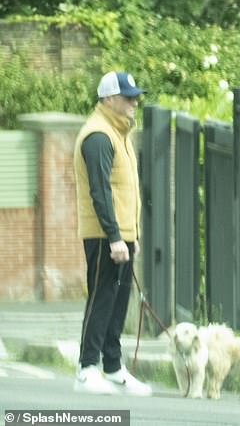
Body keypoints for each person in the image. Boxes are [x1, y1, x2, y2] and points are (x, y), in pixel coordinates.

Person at [72, 71, 152, 396]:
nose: (134, 102)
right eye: (128, 96)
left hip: (123, 234)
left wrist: (130, 236)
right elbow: (101, 192)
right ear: (108, 99)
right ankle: (87, 368)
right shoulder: (98, 135)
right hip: (107, 235)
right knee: (102, 296)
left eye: (135, 96)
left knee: (120, 301)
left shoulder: (119, 134)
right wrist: (115, 236)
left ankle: (113, 366)